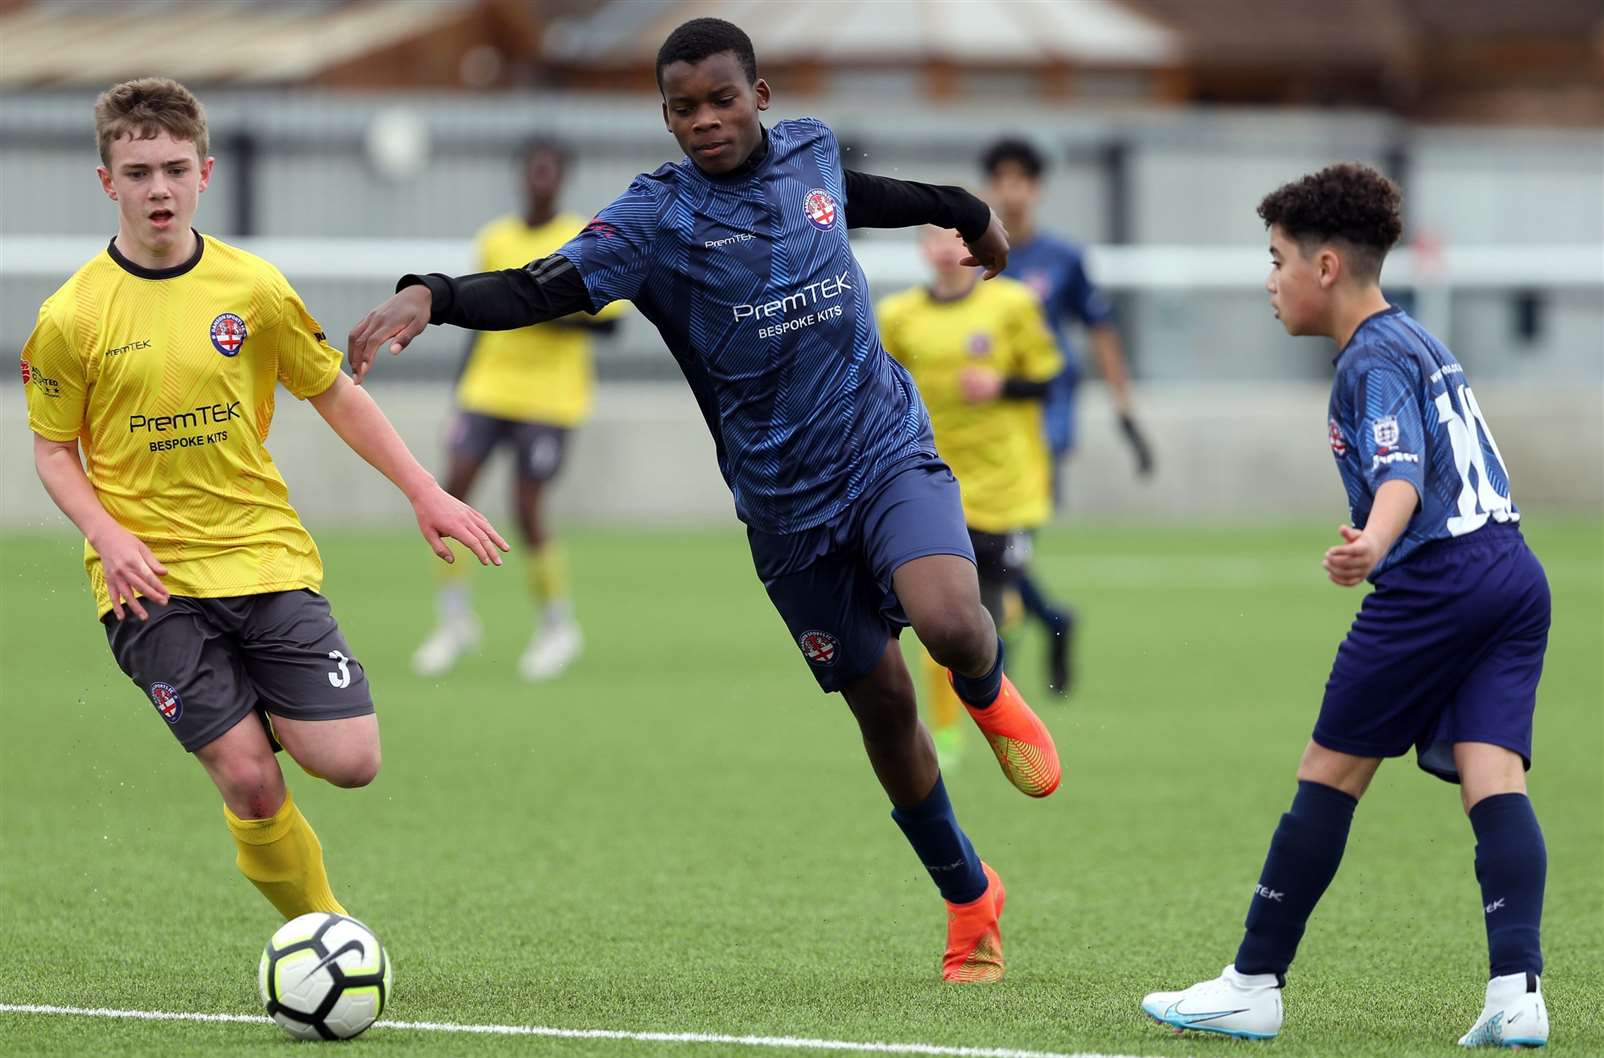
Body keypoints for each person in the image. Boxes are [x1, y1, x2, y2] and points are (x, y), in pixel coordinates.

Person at [347, 18, 1062, 982]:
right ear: (667, 117)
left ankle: (985, 691)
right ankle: (971, 897)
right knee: (884, 710)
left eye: (723, 100)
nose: (705, 121)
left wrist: (968, 210)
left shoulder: (808, 150)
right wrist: (433, 292)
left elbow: (872, 195)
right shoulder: (653, 221)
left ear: (758, 98)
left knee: (951, 622)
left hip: (885, 448)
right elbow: (539, 287)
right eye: (684, 108)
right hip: (782, 509)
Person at [23, 78, 507, 922]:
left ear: (204, 171)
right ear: (107, 182)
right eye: (137, 173)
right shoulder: (71, 317)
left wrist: (425, 491)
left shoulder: (254, 290)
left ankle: (252, 706)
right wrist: (105, 531)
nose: (159, 190)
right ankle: (325, 929)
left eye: (174, 169)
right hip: (150, 583)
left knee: (353, 759)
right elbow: (52, 449)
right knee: (250, 780)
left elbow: (335, 393)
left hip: (264, 554)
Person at [1141, 164, 1551, 1049]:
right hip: (1512, 573)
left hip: (1437, 581)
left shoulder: (1368, 360)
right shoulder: (1418, 338)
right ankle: (1517, 992)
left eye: (1277, 257)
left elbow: (1401, 470)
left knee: (1329, 772)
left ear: (1325, 266)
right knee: (1494, 778)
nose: (1269, 279)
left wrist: (1373, 539)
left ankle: (1252, 983)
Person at [413, 138, 622, 682]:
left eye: (551, 170)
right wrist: (459, 394)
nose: (541, 179)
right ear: (522, 176)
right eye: (534, 170)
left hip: (550, 398)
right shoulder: (495, 238)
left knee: (526, 506)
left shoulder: (584, 238)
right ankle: (454, 621)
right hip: (488, 389)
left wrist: (534, 307)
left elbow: (613, 322)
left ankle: (557, 626)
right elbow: (476, 324)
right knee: (448, 494)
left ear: (563, 177)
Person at [878, 226, 1068, 763]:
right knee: (940, 615)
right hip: (931, 485)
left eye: (955, 236)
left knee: (993, 614)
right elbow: (878, 387)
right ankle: (945, 736)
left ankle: (999, 707)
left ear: (976, 246)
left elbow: (1052, 379)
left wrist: (1002, 386)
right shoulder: (898, 317)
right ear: (921, 249)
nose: (944, 248)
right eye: (933, 237)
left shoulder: (1012, 304)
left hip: (1007, 486)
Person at [981, 137, 1155, 690]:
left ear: (1038, 189)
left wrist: (1124, 409)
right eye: (1001, 180)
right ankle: (1051, 619)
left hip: (1044, 416)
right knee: (997, 545)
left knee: (1004, 541)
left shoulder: (1064, 259)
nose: (1011, 192)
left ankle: (996, 662)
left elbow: (1100, 330)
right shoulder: (977, 253)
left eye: (1021, 180)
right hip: (986, 424)